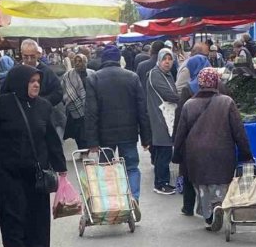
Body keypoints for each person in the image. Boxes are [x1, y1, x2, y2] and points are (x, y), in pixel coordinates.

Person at [0, 65, 67, 247]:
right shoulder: (3, 104)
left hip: (36, 169)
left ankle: (34, 242)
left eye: (38, 82)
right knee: (12, 206)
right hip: (7, 167)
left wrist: (61, 168)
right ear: (20, 82)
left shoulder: (43, 106)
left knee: (35, 207)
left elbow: (51, 138)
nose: (36, 85)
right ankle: (17, 245)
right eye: (32, 81)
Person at [173, 68, 253, 231]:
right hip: (222, 151)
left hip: (196, 154)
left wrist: (176, 156)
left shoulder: (189, 105)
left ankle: (208, 216)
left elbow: (180, 133)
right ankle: (219, 204)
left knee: (202, 186)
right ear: (217, 82)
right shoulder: (227, 102)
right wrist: (246, 153)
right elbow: (239, 131)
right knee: (221, 183)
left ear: (200, 84)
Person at [83, 44, 150, 206]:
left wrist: (92, 142)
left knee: (107, 169)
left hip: (105, 136)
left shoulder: (94, 78)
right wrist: (146, 138)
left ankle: (113, 203)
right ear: (118, 59)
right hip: (129, 133)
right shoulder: (132, 77)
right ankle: (133, 198)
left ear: (103, 59)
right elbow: (142, 109)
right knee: (132, 167)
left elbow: (91, 113)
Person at [173, 54, 210, 216]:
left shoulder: (188, 89)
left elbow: (180, 115)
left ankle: (188, 206)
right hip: (214, 135)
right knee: (210, 174)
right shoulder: (220, 86)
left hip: (191, 137)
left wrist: (176, 140)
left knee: (188, 172)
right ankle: (209, 206)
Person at [146, 48, 180, 195]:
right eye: (164, 59)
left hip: (165, 116)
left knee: (164, 151)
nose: (167, 62)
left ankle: (163, 181)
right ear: (159, 60)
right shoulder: (156, 74)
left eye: (170, 59)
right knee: (164, 150)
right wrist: (182, 98)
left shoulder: (166, 74)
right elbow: (169, 95)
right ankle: (160, 183)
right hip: (160, 117)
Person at [62, 52, 95, 149]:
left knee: (88, 130)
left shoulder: (92, 73)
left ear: (85, 62)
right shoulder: (68, 75)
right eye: (75, 61)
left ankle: (89, 149)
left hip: (90, 108)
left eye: (80, 61)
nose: (77, 63)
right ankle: (82, 150)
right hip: (75, 108)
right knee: (78, 132)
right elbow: (64, 89)